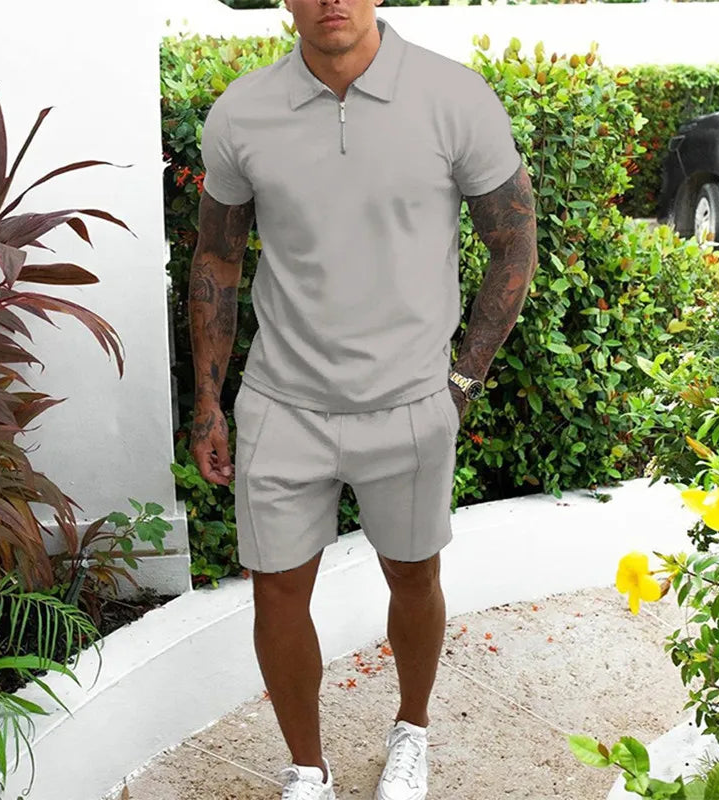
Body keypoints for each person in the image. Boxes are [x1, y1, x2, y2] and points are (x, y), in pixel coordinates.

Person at [188, 0, 538, 796]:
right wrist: (208, 399)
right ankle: (307, 769)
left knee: (414, 578)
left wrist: (463, 378)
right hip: (283, 401)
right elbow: (217, 256)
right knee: (277, 589)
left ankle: (411, 729)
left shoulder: (454, 98)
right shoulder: (243, 112)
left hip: (410, 402)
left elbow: (513, 237)